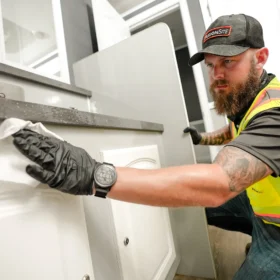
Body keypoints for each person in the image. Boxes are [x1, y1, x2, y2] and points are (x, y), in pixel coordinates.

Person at [12, 14, 280, 279]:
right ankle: (256, 237)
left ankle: (261, 249)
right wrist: (202, 139)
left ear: (260, 58)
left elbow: (221, 182)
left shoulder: (275, 112)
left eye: (228, 61)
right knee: (194, 208)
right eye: (210, 65)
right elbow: (235, 131)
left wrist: (95, 175)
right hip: (257, 205)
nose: (217, 75)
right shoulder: (249, 98)